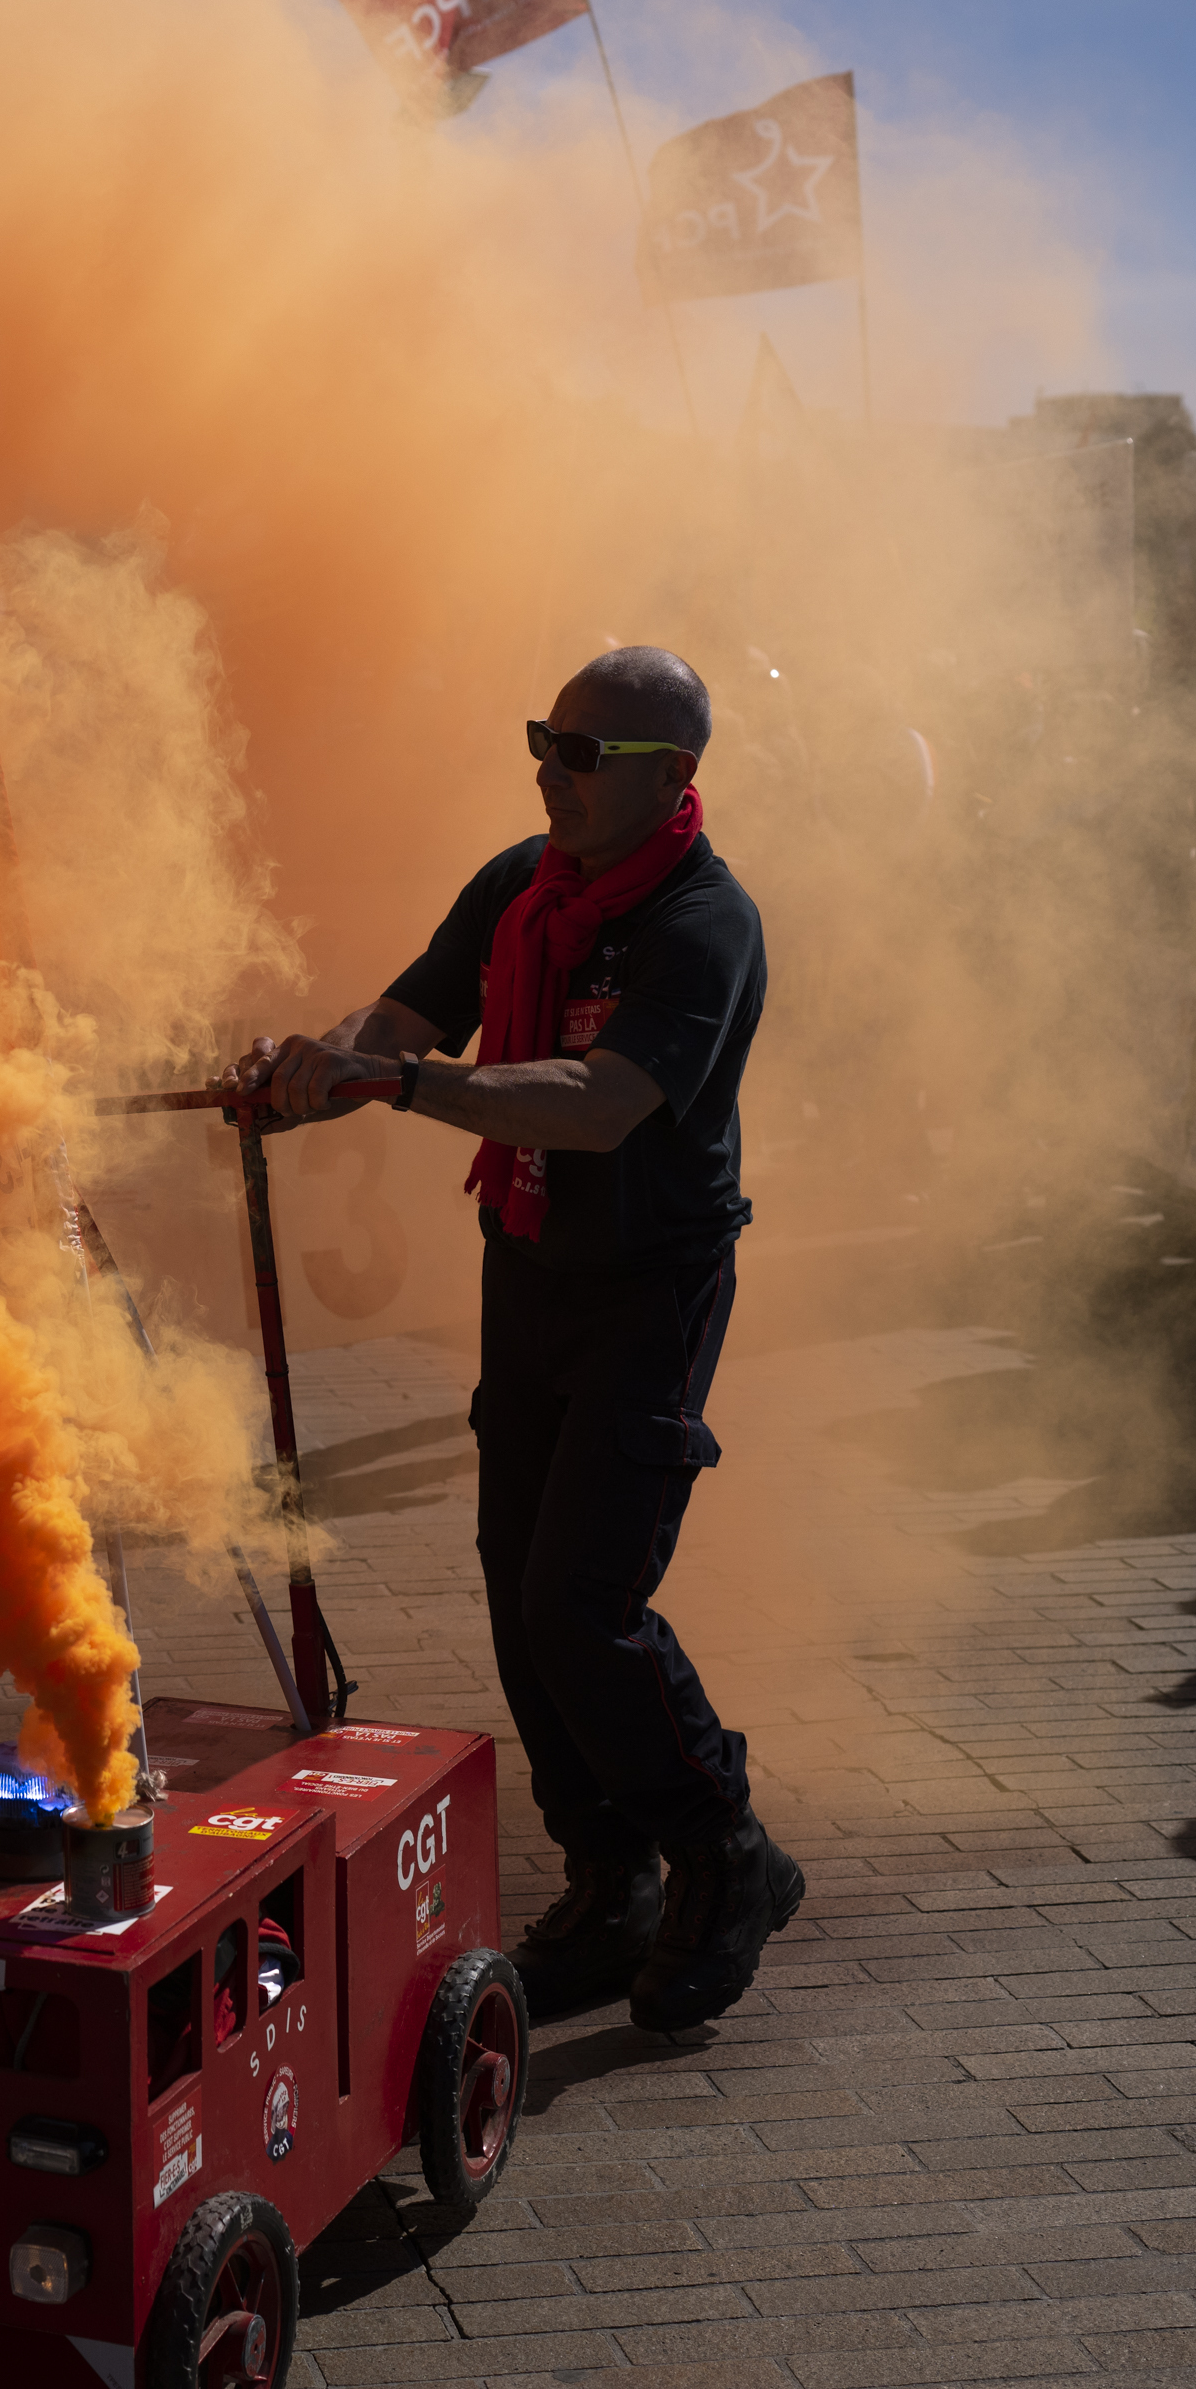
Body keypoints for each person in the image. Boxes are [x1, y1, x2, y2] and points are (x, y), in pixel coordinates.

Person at [256, 646, 802, 2033]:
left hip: (652, 1286)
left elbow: (598, 1098)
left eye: (580, 754)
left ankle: (723, 1849)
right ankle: (608, 1871)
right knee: (517, 1587)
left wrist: (403, 1083)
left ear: (670, 778)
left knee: (583, 1600)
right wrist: (320, 1070)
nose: (546, 772)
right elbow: (407, 1014)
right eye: (541, 740)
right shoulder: (520, 884)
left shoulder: (705, 922)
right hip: (533, 1270)